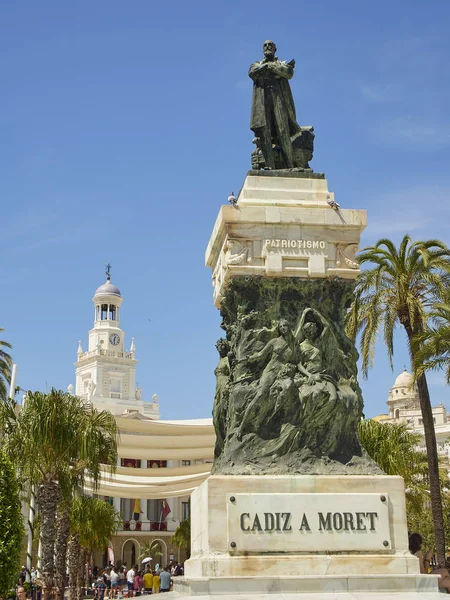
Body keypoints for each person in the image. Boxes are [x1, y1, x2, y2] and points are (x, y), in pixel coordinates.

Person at [249, 40, 301, 169]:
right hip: (263, 100)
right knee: (264, 132)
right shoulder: (256, 64)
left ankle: (289, 164)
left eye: (270, 45)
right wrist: (270, 69)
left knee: (283, 130)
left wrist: (271, 67)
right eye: (265, 45)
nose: (268, 47)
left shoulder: (280, 63)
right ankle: (269, 165)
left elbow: (288, 73)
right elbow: (253, 73)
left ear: (275, 49)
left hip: (279, 99)